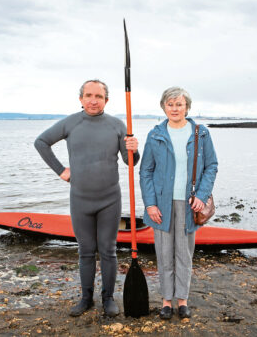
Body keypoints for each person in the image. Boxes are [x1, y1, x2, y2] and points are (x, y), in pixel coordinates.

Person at [34, 79, 139, 317]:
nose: (93, 100)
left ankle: (108, 298)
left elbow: (130, 162)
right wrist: (61, 170)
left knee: (109, 250)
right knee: (86, 251)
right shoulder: (71, 123)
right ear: (80, 99)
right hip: (80, 199)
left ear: (106, 100)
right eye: (88, 95)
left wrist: (134, 148)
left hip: (110, 199)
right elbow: (41, 142)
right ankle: (86, 298)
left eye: (99, 96)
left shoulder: (117, 125)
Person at [139, 87, 218, 320]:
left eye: (179, 104)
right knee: (164, 254)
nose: (175, 108)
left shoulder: (200, 133)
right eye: (170, 104)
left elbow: (211, 165)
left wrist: (202, 195)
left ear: (187, 107)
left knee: (184, 254)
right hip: (161, 205)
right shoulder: (155, 135)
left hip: (189, 204)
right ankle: (166, 301)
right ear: (164, 107)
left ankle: (182, 300)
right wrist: (150, 204)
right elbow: (146, 171)